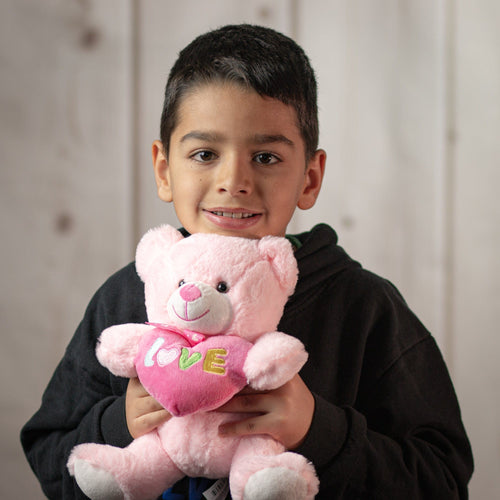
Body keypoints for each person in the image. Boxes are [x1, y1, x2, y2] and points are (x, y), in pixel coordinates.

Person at [21, 24, 473, 499]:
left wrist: (319, 431)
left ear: (310, 178)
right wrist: (119, 423)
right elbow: (49, 451)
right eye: (204, 153)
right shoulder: (127, 296)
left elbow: (443, 479)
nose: (234, 179)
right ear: (163, 169)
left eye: (265, 156)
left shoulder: (364, 307)